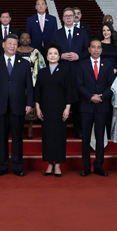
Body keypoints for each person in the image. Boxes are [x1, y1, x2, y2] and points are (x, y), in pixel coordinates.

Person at [0, 34, 34, 177]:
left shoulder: (24, 63)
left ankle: (18, 166)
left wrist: (29, 103)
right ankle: (2, 167)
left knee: (17, 138)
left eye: (15, 44)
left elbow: (29, 86)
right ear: (3, 45)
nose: (12, 46)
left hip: (18, 105)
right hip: (0, 105)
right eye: (9, 43)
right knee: (2, 138)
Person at [77, 39, 116, 177]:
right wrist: (90, 97)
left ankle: (99, 165)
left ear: (101, 49)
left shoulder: (108, 65)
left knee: (100, 137)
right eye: (93, 47)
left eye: (99, 47)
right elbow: (79, 85)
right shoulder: (82, 65)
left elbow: (112, 85)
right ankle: (86, 166)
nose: (96, 50)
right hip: (86, 106)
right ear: (89, 49)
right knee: (86, 138)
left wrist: (102, 97)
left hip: (102, 106)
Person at [35, 43, 75, 177]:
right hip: (45, 108)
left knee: (59, 136)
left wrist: (67, 108)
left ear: (59, 56)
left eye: (55, 53)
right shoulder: (42, 72)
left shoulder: (65, 70)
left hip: (60, 108)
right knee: (47, 136)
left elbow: (69, 90)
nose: (52, 56)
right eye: (50, 53)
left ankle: (58, 164)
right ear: (46, 56)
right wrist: (38, 107)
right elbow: (37, 92)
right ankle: (49, 163)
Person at [50, 7, 90, 139]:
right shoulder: (56, 34)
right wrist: (60, 56)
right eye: (66, 16)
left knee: (78, 104)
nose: (68, 18)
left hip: (78, 73)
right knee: (60, 103)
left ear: (74, 17)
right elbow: (51, 52)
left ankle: (79, 130)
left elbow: (87, 52)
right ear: (62, 18)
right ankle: (61, 132)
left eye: (70, 16)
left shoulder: (83, 33)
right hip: (62, 73)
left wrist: (78, 56)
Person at [16, 32, 45, 139]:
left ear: (30, 40)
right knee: (18, 104)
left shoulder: (36, 52)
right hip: (17, 82)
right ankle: (20, 126)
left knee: (30, 104)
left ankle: (30, 127)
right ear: (19, 39)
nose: (24, 40)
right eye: (22, 38)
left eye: (27, 38)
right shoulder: (15, 51)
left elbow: (41, 67)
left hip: (32, 82)